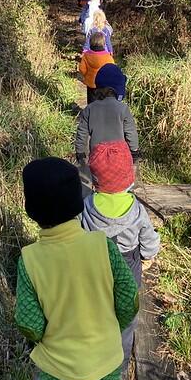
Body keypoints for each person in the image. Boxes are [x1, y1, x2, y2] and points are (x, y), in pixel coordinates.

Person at [15, 157, 138, 380]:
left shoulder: (30, 261)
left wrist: (41, 339)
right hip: (105, 359)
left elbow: (28, 322)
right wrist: (110, 329)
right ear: (78, 202)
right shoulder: (102, 246)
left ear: (33, 211)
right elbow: (129, 298)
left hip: (61, 370)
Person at [81, 141, 160, 363]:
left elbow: (78, 235)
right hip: (129, 269)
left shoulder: (87, 206)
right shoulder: (136, 210)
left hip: (97, 271)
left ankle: (96, 357)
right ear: (129, 176)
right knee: (126, 321)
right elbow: (149, 240)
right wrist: (148, 257)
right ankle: (120, 365)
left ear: (95, 179)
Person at [75, 63, 138, 161]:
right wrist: (134, 151)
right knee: (122, 176)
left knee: (97, 176)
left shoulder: (90, 109)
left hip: (97, 157)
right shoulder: (123, 109)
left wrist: (80, 152)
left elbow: (82, 132)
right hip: (119, 157)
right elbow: (130, 131)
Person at [79, 31, 114, 104]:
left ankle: (91, 114)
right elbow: (112, 70)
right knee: (102, 102)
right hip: (104, 84)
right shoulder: (107, 56)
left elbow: (82, 69)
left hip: (91, 83)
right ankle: (101, 114)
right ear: (104, 44)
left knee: (91, 101)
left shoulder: (86, 55)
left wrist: (86, 76)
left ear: (90, 43)